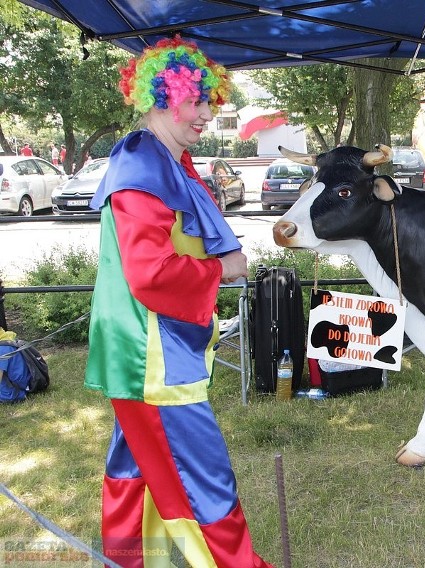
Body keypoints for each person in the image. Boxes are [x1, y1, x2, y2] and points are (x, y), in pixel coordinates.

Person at [85, 36, 273, 567]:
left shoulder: (163, 159)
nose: (208, 115)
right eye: (197, 102)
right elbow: (150, 274)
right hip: (153, 356)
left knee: (135, 467)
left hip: (147, 349)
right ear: (163, 97)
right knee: (203, 476)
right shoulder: (145, 167)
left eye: (210, 101)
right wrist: (221, 269)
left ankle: (130, 559)